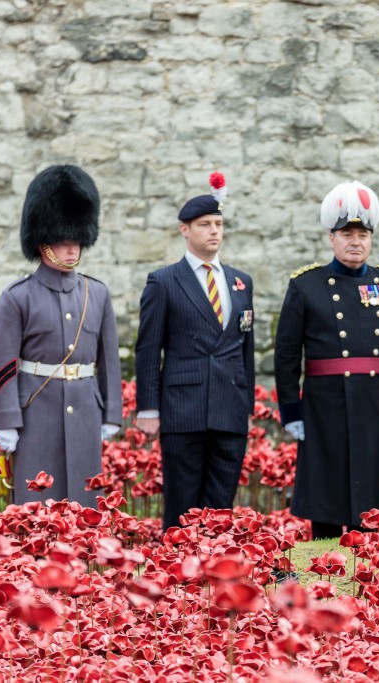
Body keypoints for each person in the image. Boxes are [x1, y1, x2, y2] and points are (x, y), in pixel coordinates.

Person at [273, 180, 379, 540]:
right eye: (347, 233)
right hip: (325, 405)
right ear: (331, 238)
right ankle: (322, 560)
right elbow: (287, 354)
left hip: (374, 404)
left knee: (368, 497)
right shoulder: (306, 285)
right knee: (326, 490)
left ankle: (365, 567)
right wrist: (291, 411)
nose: (356, 241)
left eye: (363, 234)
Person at [0, 164, 122, 508]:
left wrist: (111, 414)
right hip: (36, 411)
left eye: (76, 242)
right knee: (37, 505)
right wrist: (5, 420)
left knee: (85, 502)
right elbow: (3, 362)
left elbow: (109, 361)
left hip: (85, 410)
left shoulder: (96, 293)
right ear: (44, 243)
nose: (71, 250)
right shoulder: (18, 296)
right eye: (63, 243)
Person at [134, 174, 255, 530]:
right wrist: (148, 408)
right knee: (183, 505)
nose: (214, 231)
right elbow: (147, 350)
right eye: (205, 225)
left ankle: (217, 574)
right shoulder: (165, 281)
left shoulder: (240, 281)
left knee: (221, 507)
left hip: (229, 407)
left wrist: (246, 407)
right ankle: (178, 577)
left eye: (218, 224)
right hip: (182, 409)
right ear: (185, 230)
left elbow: (245, 347)